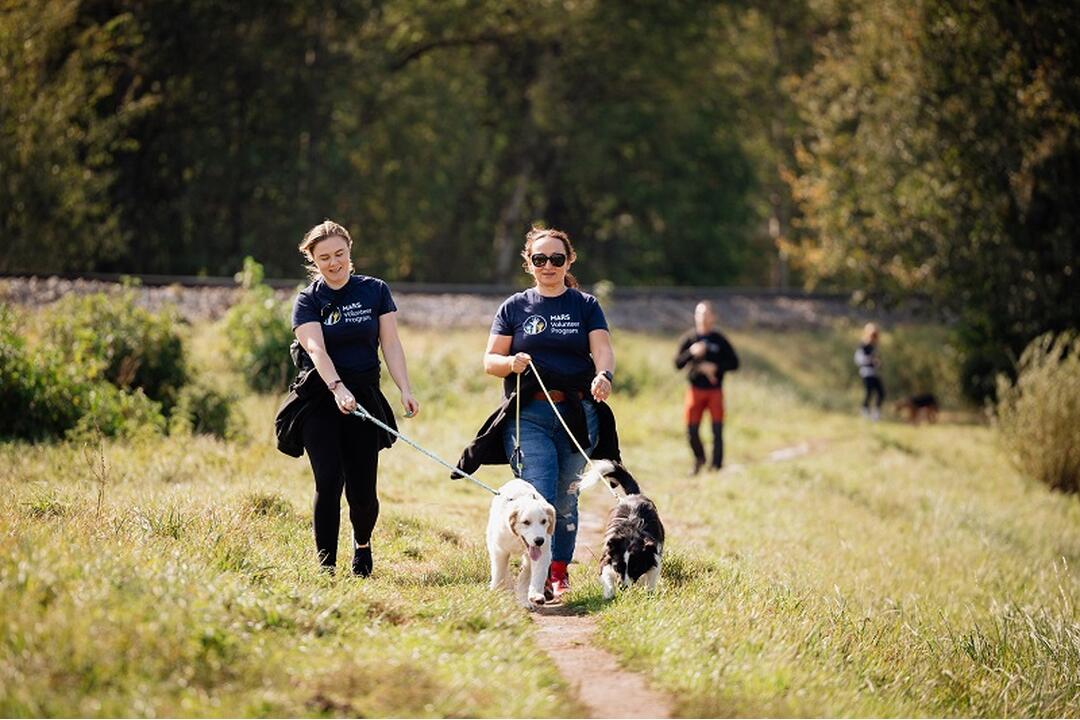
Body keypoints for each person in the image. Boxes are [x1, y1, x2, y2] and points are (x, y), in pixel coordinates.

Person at [455, 226, 620, 600]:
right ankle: (535, 578)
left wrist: (604, 376)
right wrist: (510, 362)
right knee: (538, 496)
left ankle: (558, 570)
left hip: (577, 415)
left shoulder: (586, 305)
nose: (548, 265)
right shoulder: (514, 307)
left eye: (556, 259)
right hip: (528, 415)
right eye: (540, 259)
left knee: (565, 498)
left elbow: (603, 350)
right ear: (529, 263)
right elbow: (489, 361)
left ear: (569, 261)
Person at [285, 219, 420, 576]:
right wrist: (336, 388)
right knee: (328, 481)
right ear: (313, 259)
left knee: (362, 490)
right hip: (319, 397)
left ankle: (362, 546)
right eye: (325, 257)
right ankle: (326, 566)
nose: (334, 263)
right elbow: (315, 348)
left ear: (350, 251)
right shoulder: (308, 300)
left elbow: (390, 343)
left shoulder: (375, 291)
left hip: (364, 396)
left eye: (339, 254)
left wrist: (404, 388)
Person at [674, 301, 739, 474]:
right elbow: (678, 363)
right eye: (699, 314)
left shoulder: (719, 339)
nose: (702, 317)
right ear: (695, 316)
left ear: (713, 317)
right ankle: (699, 459)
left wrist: (716, 367)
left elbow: (734, 363)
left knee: (717, 429)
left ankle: (716, 466)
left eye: (706, 314)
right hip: (695, 390)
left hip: (715, 391)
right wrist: (691, 353)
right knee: (691, 430)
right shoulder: (689, 339)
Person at [855, 322, 884, 420]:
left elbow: (876, 359)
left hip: (874, 372)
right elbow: (858, 359)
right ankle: (865, 411)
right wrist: (870, 359)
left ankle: (876, 413)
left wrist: (877, 363)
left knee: (881, 392)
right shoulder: (863, 345)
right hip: (866, 372)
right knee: (869, 392)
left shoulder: (874, 346)